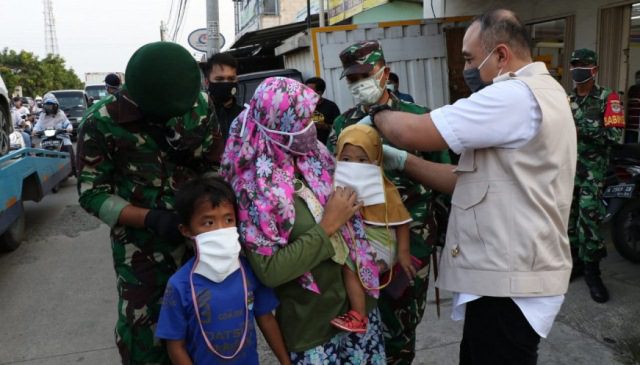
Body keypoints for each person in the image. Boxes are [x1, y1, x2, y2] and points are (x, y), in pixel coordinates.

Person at [364, 9, 577, 364]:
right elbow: (465, 182)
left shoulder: (513, 96)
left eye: (469, 59)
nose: (466, 69)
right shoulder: (541, 92)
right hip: (508, 278)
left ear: (501, 56)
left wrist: (373, 113)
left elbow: (411, 131)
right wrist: (404, 162)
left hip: (511, 286)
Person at [221, 76, 386, 364]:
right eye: (303, 119)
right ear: (277, 125)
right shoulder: (253, 189)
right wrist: (328, 226)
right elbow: (270, 271)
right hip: (314, 332)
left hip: (359, 314)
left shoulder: (314, 155)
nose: (311, 126)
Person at [77, 42, 218, 364]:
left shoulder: (198, 106)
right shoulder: (101, 122)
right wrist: (150, 219)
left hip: (199, 237)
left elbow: (213, 164)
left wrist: (210, 214)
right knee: (145, 332)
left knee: (205, 321)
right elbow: (91, 193)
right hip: (139, 247)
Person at [326, 40, 450, 365]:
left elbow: (445, 179)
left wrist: (442, 234)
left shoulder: (419, 119)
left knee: (403, 327)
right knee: (366, 320)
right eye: (352, 79)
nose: (358, 84)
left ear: (385, 73)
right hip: (362, 248)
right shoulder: (343, 126)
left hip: (414, 242)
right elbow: (331, 182)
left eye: (364, 75)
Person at [156, 177, 291, 365]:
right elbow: (175, 345)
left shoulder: (248, 272)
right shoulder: (180, 285)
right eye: (208, 223)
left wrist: (285, 361)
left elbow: (266, 318)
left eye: (228, 219)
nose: (221, 229)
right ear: (186, 230)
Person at [330, 124, 413, 333]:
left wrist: (403, 254)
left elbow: (402, 221)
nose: (354, 165)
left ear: (376, 159)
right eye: (346, 159)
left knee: (349, 267)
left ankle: (358, 315)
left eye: (362, 159)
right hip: (360, 241)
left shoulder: (385, 188)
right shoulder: (334, 183)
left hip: (382, 243)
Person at [567, 48, 625, 303]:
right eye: (575, 64)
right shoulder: (567, 100)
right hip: (567, 171)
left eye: (583, 64)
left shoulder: (607, 98)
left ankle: (593, 274)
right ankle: (576, 264)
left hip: (592, 172)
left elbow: (615, 136)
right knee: (568, 222)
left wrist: (582, 131)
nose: (578, 69)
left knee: (589, 223)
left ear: (594, 69)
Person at [204, 52, 244, 165]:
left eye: (231, 78)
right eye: (219, 79)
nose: (226, 83)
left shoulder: (246, 116)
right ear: (207, 82)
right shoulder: (201, 118)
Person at [33, 93, 76, 175]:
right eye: (47, 106)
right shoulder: (42, 116)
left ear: (56, 105)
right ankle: (41, 171)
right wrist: (34, 130)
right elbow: (38, 125)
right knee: (38, 151)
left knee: (68, 147)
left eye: (51, 105)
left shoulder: (61, 114)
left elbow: (67, 123)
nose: (50, 108)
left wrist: (69, 128)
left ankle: (73, 169)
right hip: (46, 138)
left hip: (61, 137)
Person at [305, 77, 341, 145]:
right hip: (307, 147)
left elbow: (339, 128)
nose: (306, 93)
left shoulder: (331, 106)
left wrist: (324, 126)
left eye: (309, 91)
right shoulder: (302, 105)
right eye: (305, 90)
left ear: (319, 93)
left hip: (326, 146)